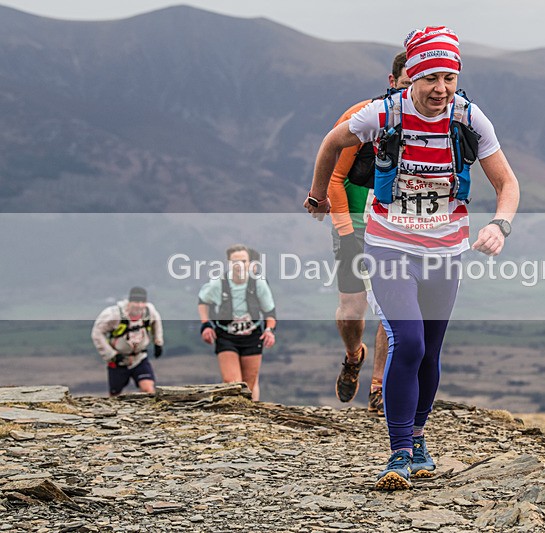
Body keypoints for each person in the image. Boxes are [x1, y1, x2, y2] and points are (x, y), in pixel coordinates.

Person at [305, 26, 520, 490]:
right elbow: (330, 144)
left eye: (449, 77)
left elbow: (507, 183)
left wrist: (499, 224)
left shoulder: (468, 116)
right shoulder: (380, 114)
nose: (440, 89)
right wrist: (319, 195)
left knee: (432, 350)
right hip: (390, 245)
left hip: (445, 250)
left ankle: (419, 439)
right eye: (430, 79)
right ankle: (399, 452)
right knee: (409, 341)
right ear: (412, 78)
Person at [329, 51, 412, 415]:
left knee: (390, 305)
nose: (414, 93)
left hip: (398, 226)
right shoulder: (361, 116)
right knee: (352, 309)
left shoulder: (432, 123)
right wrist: (346, 232)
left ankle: (380, 385)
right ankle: (353, 356)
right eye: (407, 84)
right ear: (392, 82)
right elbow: (333, 179)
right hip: (355, 223)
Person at [198, 244, 277, 402]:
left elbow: (270, 312)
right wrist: (205, 325)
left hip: (252, 335)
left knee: (248, 386)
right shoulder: (218, 283)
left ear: (250, 263)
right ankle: (230, 416)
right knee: (232, 383)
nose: (239, 265)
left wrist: (269, 330)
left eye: (243, 261)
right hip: (226, 335)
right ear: (228, 263)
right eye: (235, 262)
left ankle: (249, 420)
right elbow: (203, 301)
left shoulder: (259, 283)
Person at [91, 286, 164, 397]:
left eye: (142, 302)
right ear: (130, 301)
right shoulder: (113, 314)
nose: (139, 305)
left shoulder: (149, 312)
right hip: (118, 361)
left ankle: (147, 413)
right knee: (115, 395)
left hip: (139, 358)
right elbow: (97, 333)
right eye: (136, 301)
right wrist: (111, 354)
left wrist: (158, 342)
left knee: (148, 389)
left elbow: (157, 323)